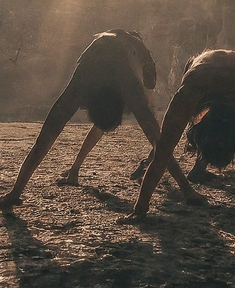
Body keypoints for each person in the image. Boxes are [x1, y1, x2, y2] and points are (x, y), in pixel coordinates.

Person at [0, 29, 203, 212]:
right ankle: (73, 170)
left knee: (149, 97)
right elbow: (159, 143)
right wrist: (14, 193)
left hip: (130, 50)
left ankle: (71, 171)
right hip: (109, 50)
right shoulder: (85, 86)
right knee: (150, 120)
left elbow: (41, 145)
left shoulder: (127, 86)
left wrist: (16, 193)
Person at [120, 49, 235, 226]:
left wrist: (141, 208)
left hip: (210, 74)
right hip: (232, 74)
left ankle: (141, 207)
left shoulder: (195, 90)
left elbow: (163, 153)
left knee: (166, 145)